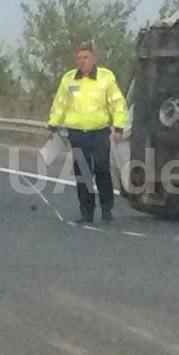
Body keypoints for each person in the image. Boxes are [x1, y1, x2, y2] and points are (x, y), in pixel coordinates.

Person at [47, 44, 128, 224]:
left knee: (101, 169)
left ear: (93, 59)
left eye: (86, 57)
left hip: (99, 132)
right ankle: (86, 212)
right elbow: (60, 104)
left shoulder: (105, 79)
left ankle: (107, 208)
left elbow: (117, 104)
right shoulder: (69, 80)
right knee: (83, 173)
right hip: (77, 133)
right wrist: (53, 123)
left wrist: (119, 127)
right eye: (79, 58)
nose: (83, 61)